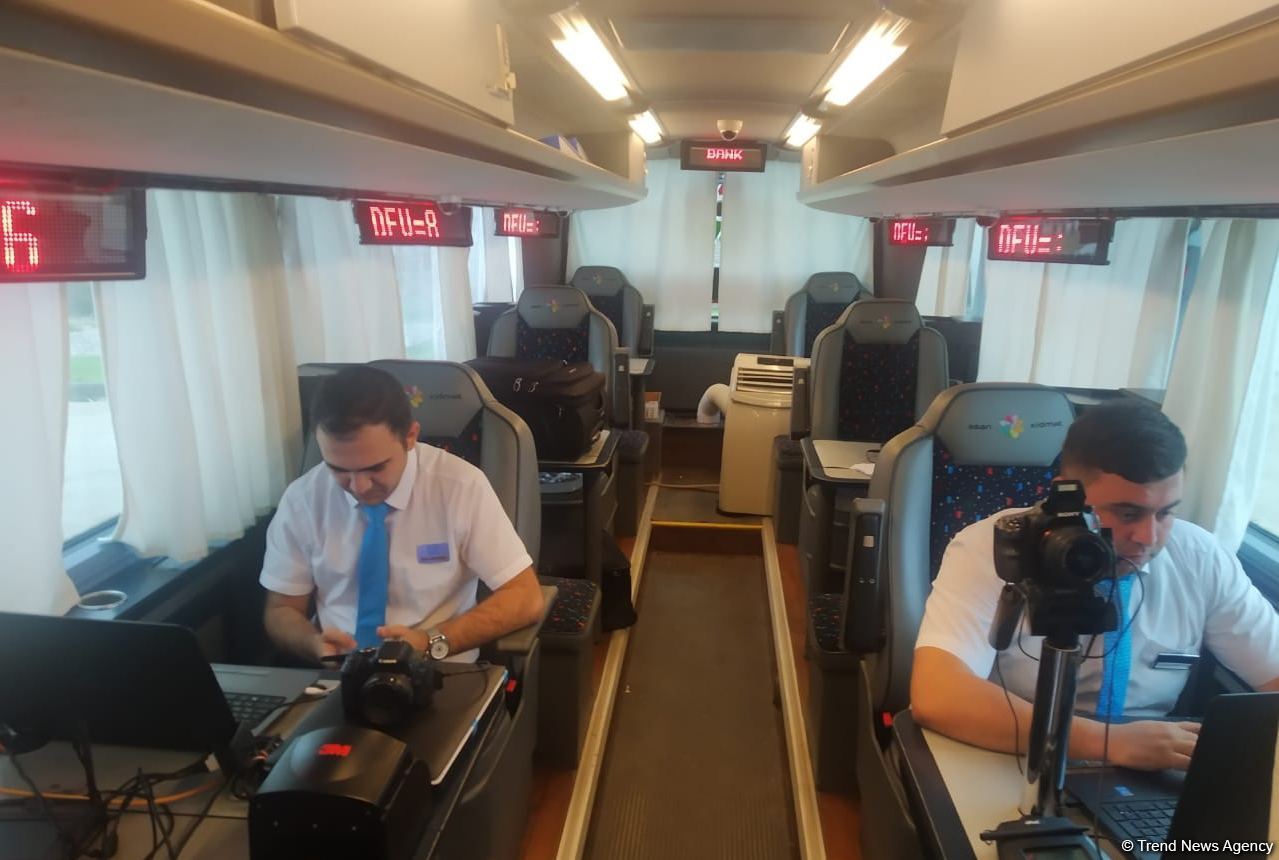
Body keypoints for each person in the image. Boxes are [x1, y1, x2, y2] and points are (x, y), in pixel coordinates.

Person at [912, 399, 1279, 771]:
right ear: (1068, 495)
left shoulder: (1201, 557)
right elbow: (938, 695)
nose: (1149, 537)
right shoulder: (992, 547)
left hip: (1149, 766)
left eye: (1166, 512)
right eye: (1128, 513)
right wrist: (1106, 743)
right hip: (1008, 752)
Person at [261, 365, 544, 665]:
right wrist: (312, 643)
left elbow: (525, 597)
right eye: (339, 469)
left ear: (410, 436)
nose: (358, 487)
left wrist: (429, 641)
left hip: (439, 669)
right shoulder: (303, 499)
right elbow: (281, 610)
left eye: (375, 467)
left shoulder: (460, 487)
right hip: (338, 672)